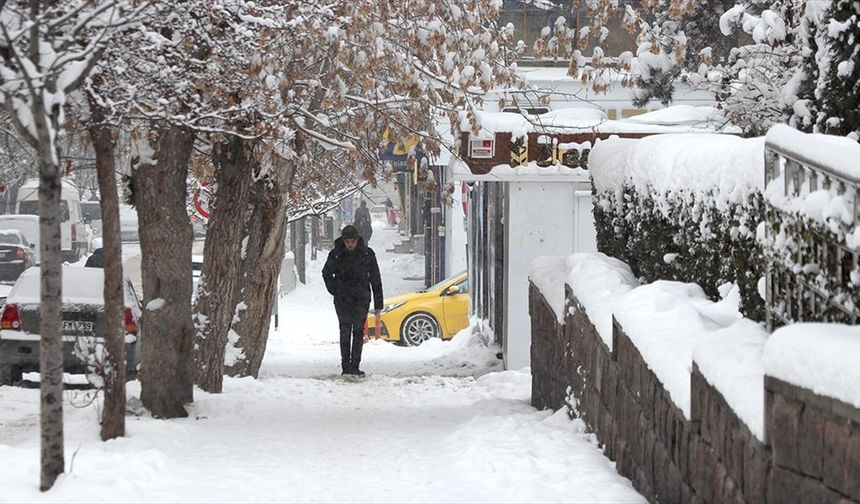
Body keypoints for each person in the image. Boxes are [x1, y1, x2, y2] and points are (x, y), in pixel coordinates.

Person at [322, 225, 384, 376]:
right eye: (347, 241)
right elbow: (326, 273)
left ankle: (355, 365)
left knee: (358, 331)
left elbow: (375, 278)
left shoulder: (367, 254)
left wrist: (378, 304)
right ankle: (346, 366)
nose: (350, 244)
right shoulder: (336, 254)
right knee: (344, 331)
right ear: (343, 241)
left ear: (357, 240)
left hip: (361, 298)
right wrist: (334, 290)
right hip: (342, 299)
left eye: (352, 241)